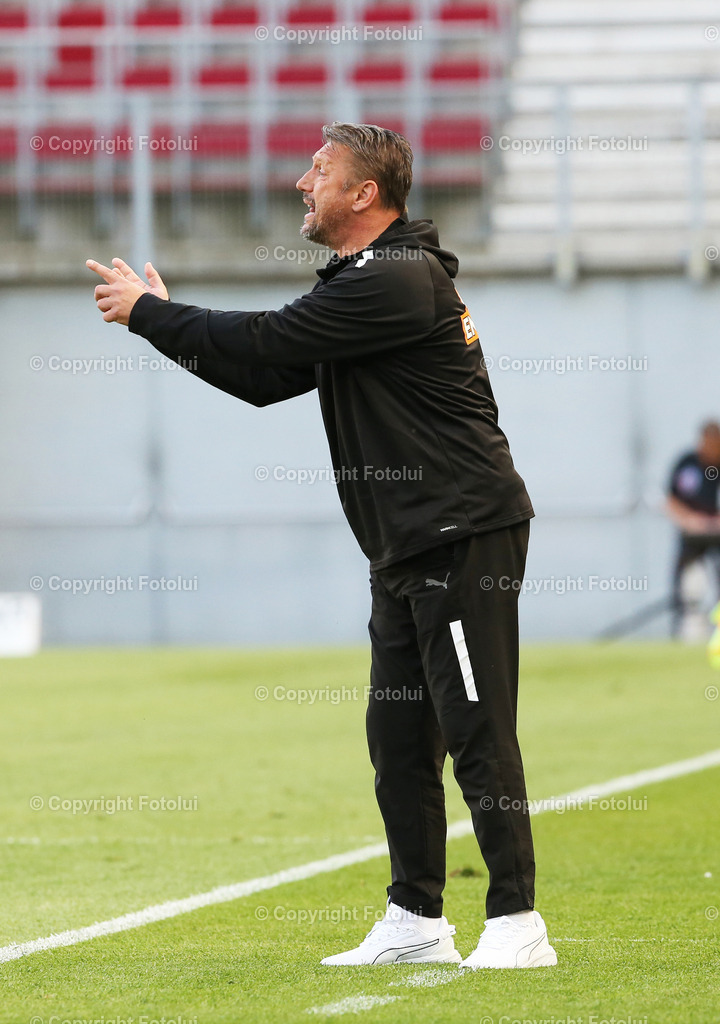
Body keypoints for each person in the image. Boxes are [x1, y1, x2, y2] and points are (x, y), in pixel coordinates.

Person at [87, 121, 556, 970]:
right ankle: (416, 919)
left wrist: (155, 310)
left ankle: (518, 923)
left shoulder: (397, 278)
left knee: (477, 727)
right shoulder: (361, 284)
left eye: (318, 169)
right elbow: (266, 380)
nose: (302, 182)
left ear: (363, 194)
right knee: (398, 739)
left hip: (461, 532)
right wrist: (154, 325)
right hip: (405, 544)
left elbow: (267, 341)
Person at [666, 420, 720, 638]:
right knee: (688, 582)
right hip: (692, 536)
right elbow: (671, 499)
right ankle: (687, 631)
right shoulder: (687, 463)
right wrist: (689, 520)